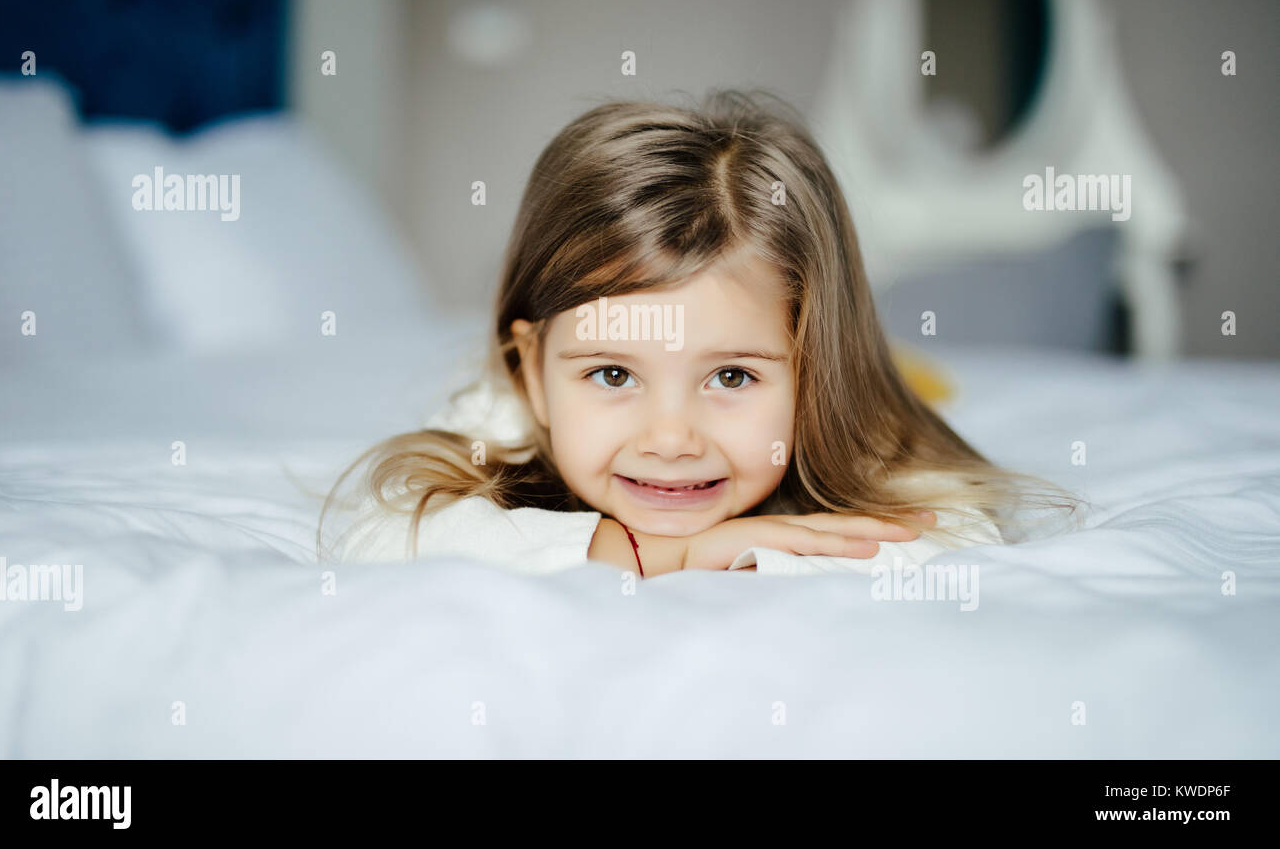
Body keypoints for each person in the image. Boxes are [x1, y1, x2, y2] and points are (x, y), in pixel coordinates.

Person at [318, 89, 1080, 578]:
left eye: (732, 377)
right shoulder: (503, 415)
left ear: (814, 371)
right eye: (613, 375)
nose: (672, 438)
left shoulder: (867, 441)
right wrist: (658, 556)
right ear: (530, 372)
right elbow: (379, 532)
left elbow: (957, 553)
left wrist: (742, 559)